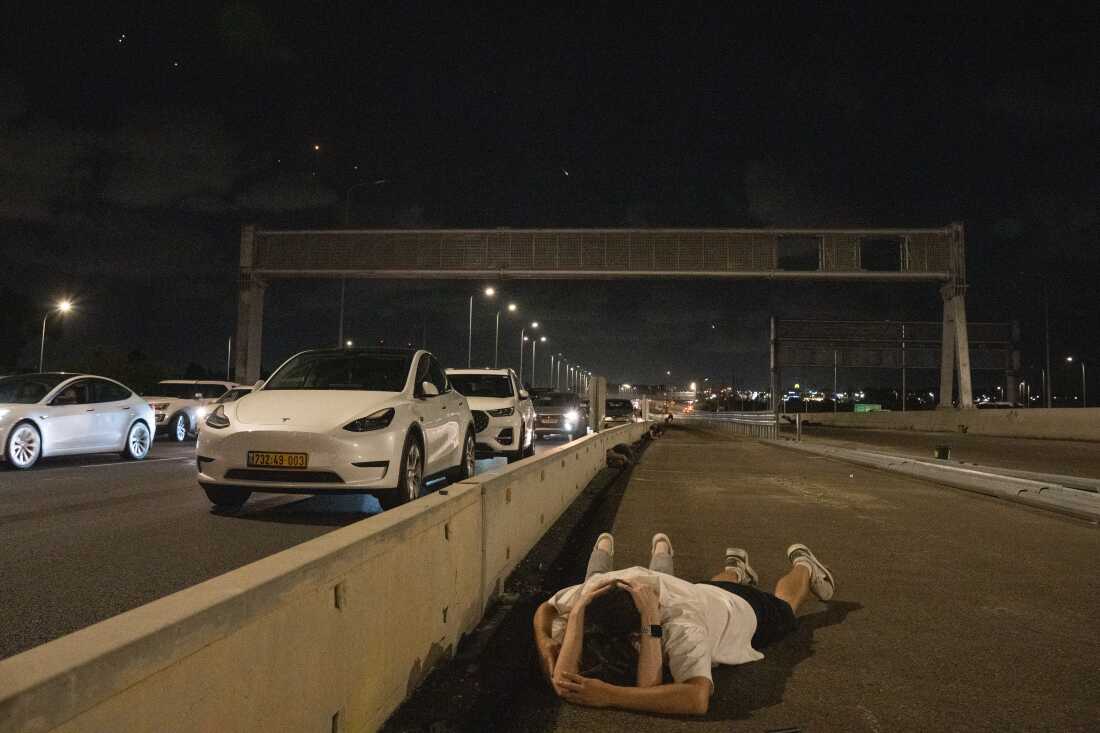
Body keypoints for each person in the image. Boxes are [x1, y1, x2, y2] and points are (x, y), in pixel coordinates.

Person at [532, 532, 836, 715]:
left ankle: (804, 568)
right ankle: (736, 569)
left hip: (742, 612)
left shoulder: (681, 624)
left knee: (785, 606)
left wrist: (609, 696)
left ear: (642, 630)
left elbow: (696, 697)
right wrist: (549, 643)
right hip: (702, 593)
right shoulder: (598, 589)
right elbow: (545, 609)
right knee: (709, 589)